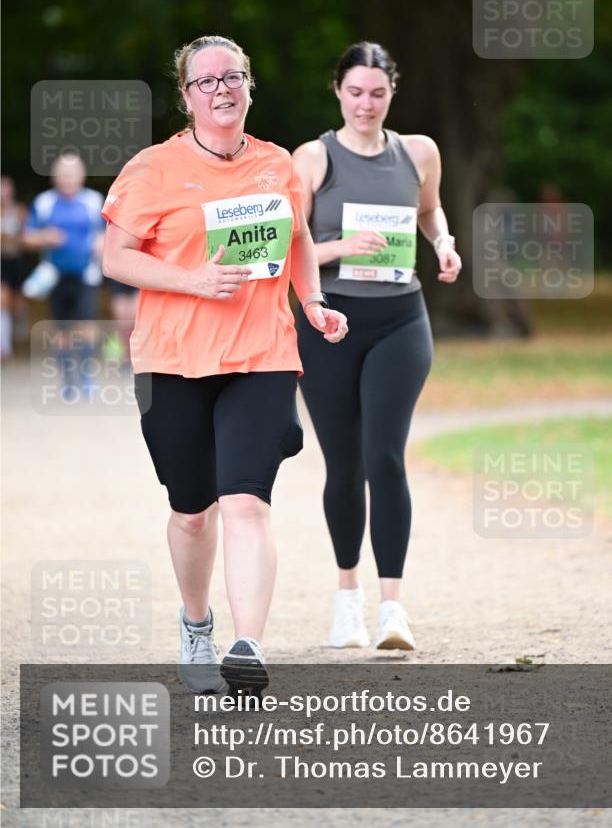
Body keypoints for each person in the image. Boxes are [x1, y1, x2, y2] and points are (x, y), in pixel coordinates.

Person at [102, 35, 348, 694]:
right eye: (206, 81)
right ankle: (196, 624)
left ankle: (247, 645)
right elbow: (115, 257)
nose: (221, 89)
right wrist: (192, 281)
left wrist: (313, 302)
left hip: (261, 355)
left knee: (245, 500)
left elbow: (298, 239)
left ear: (248, 85)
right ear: (186, 96)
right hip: (174, 359)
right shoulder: (152, 168)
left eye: (232, 77)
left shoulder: (277, 164)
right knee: (193, 511)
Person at [293, 41, 462, 652]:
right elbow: (289, 247)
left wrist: (443, 242)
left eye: (378, 93)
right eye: (356, 92)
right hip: (330, 323)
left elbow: (430, 210)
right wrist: (343, 246)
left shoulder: (419, 151)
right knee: (345, 465)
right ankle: (348, 601)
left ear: (393, 92)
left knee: (386, 457)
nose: (366, 104)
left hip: (400, 318)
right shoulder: (313, 158)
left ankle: (393, 608)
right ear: (338, 91)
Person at [22, 153, 105, 396]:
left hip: (86, 275)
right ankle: (68, 382)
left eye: (72, 174)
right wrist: (45, 237)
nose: (68, 179)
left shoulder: (94, 201)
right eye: (63, 174)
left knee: (86, 326)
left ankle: (86, 377)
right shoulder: (44, 202)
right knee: (62, 331)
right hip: (55, 275)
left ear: (82, 176)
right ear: (55, 177)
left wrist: (101, 243)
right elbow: (27, 237)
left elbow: (107, 232)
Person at [0, 176, 28, 360]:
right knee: (3, 300)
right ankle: (4, 345)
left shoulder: (20, 210)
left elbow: (27, 234)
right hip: (1, 260)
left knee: (16, 302)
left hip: (16, 260)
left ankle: (18, 323)